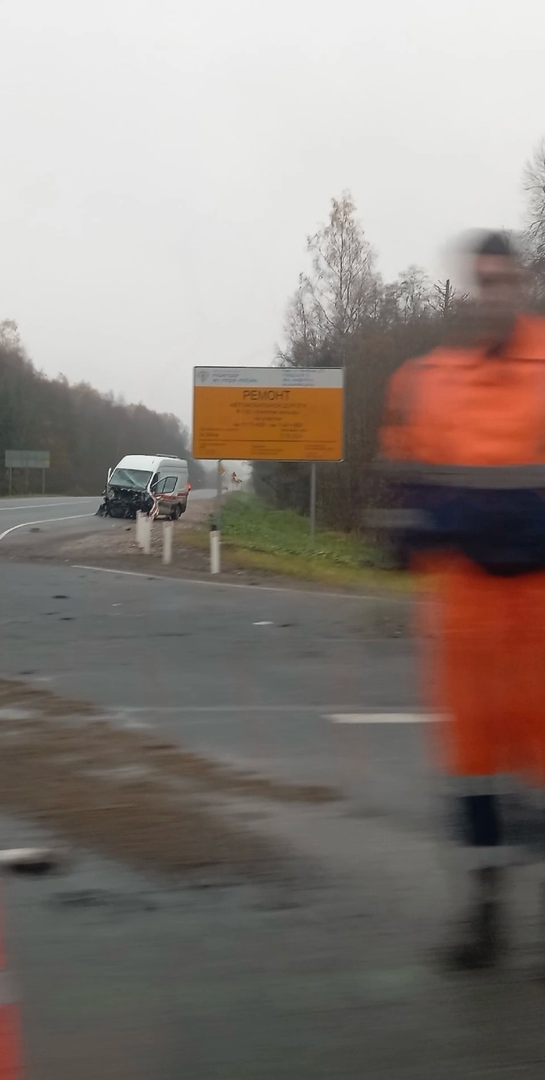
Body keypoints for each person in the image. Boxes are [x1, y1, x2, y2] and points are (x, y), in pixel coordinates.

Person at [378, 229, 545, 969]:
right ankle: (486, 915)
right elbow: (404, 483)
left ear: (522, 285)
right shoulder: (426, 380)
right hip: (465, 612)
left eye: (505, 280)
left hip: (541, 609)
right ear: (467, 291)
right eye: (482, 282)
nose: (494, 294)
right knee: (473, 768)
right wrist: (403, 531)